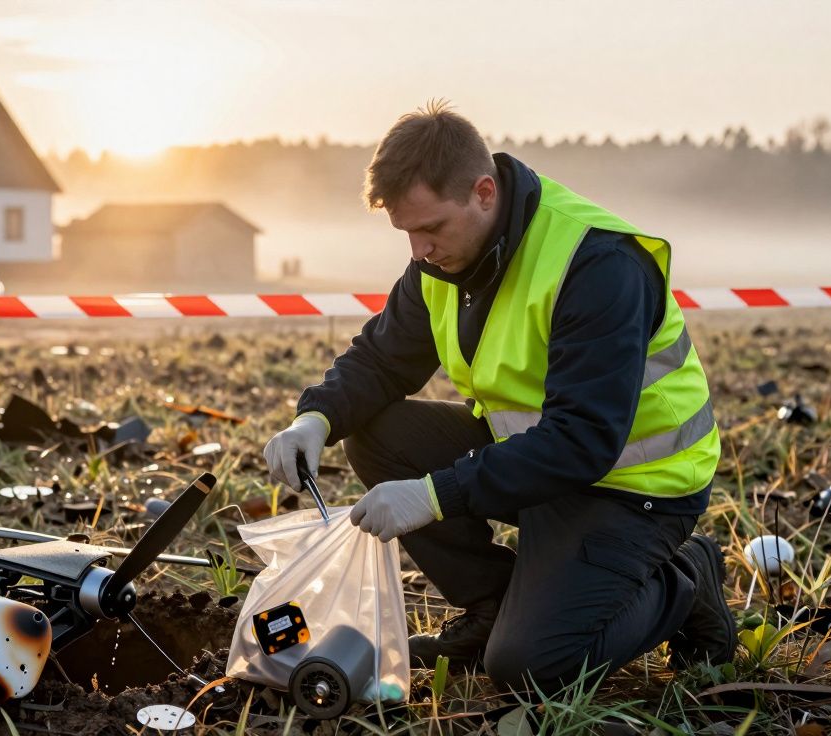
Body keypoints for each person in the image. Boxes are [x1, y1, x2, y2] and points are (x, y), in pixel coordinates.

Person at [262, 101, 733, 691]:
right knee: (376, 434)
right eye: (407, 232)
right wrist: (315, 418)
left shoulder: (598, 264)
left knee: (530, 668)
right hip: (538, 461)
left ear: (484, 192)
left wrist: (434, 496)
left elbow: (585, 440)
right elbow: (383, 359)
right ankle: (492, 605)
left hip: (635, 487)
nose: (418, 250)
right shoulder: (444, 261)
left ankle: (684, 579)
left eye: (430, 228)